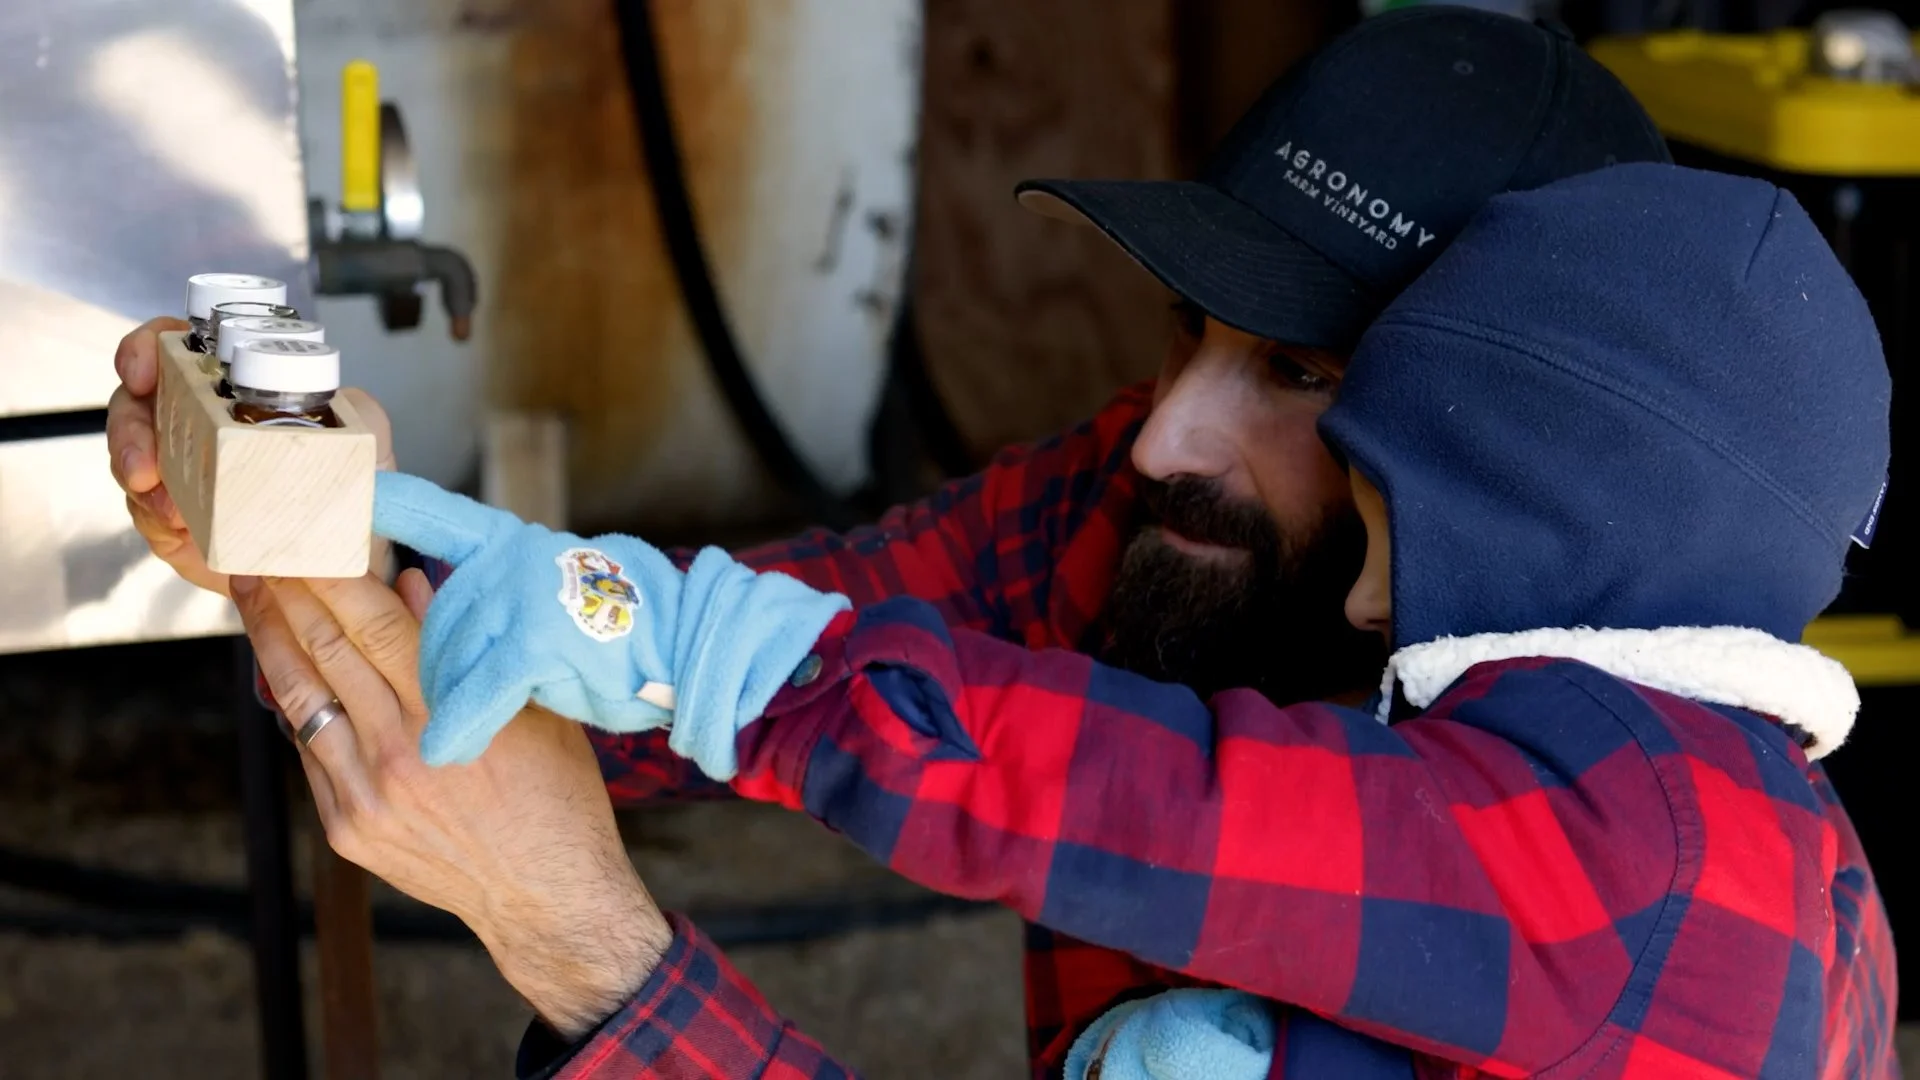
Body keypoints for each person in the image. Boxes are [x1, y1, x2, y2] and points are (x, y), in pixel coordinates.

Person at [100, 7, 1711, 1076]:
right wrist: (339, 539)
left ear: (1501, 460)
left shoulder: (1620, 885)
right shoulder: (1138, 519)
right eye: (1188, 329)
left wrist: (590, 949)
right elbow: (706, 652)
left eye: (1294, 371)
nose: (1164, 437)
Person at [294, 162, 1909, 1079]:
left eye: (1313, 388)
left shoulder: (1649, 854)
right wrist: (352, 575)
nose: (1156, 443)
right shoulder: (1731, 826)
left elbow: (1157, 805)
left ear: (1543, 511)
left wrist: (702, 658)